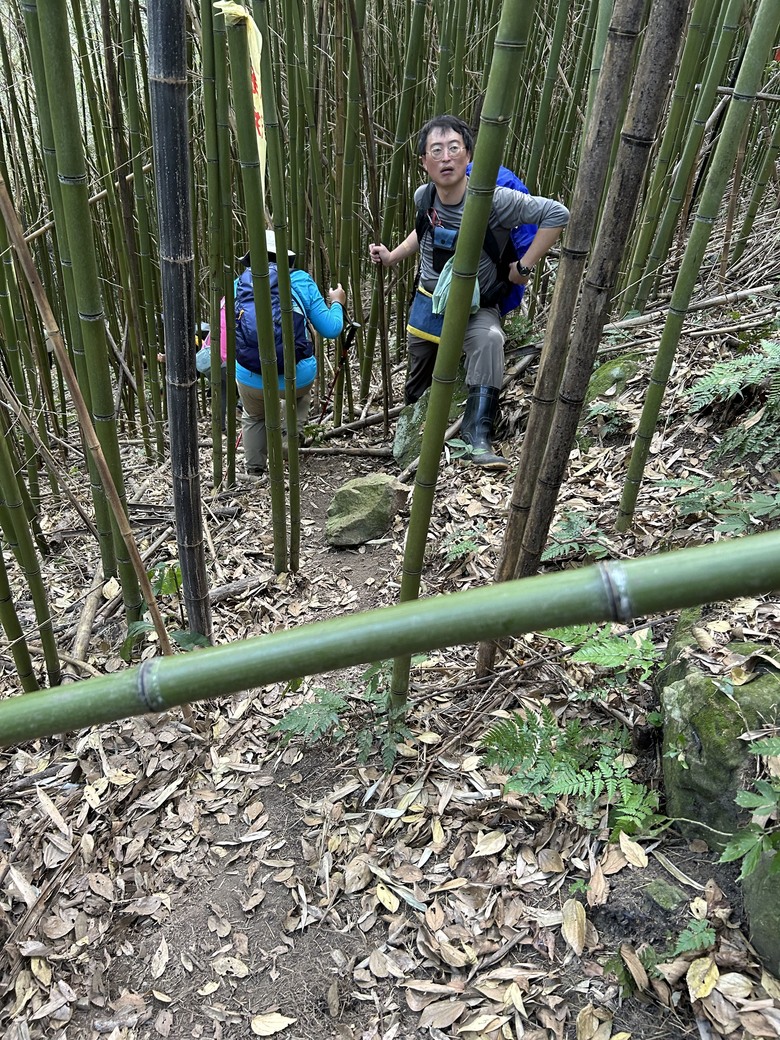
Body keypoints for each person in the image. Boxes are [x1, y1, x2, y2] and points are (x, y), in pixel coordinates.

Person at [369, 114, 570, 470]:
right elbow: (423, 232)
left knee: (490, 339)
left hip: (477, 306)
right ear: (424, 162)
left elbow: (557, 214)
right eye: (436, 150)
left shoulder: (495, 200)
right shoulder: (424, 195)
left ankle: (477, 436)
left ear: (468, 154)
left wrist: (523, 268)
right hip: (429, 304)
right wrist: (392, 257)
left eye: (453, 148)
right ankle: (409, 442)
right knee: (418, 381)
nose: (445, 157)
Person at [230, 230, 346, 478]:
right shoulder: (301, 281)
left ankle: (254, 471)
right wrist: (337, 303)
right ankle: (287, 440)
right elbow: (331, 329)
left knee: (253, 416)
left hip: (250, 375)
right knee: (299, 399)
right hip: (296, 376)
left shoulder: (238, 285)